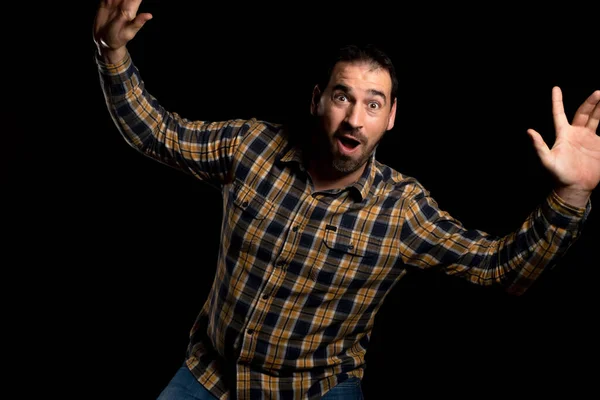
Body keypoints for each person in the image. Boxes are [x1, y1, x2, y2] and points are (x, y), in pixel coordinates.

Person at [93, 1, 599, 399]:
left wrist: (571, 193)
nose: (355, 119)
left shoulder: (401, 210)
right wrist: (112, 52)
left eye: (373, 105)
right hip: (211, 375)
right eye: (343, 97)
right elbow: (160, 135)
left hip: (315, 389)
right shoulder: (250, 147)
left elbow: (500, 271)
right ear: (317, 99)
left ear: (391, 117)